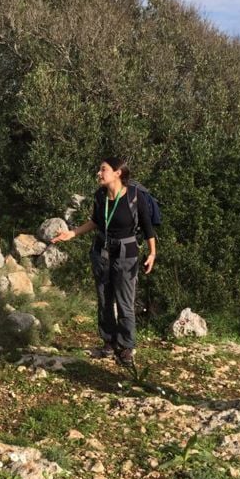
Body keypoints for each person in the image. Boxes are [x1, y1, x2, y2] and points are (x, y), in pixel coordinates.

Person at [51, 157, 157, 366]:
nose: (99, 174)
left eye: (103, 170)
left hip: (126, 254)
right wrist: (72, 233)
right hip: (102, 253)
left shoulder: (135, 196)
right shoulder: (100, 195)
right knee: (104, 299)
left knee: (125, 301)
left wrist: (152, 253)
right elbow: (96, 221)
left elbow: (147, 227)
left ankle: (126, 346)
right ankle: (109, 342)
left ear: (118, 173)